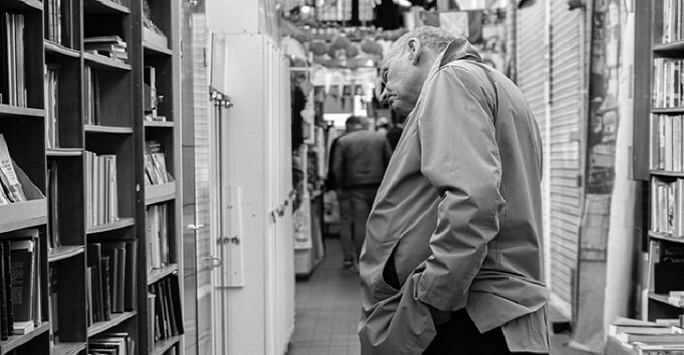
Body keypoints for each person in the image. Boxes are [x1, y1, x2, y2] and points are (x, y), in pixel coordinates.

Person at [358, 27, 549, 355]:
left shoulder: (451, 79)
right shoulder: (498, 86)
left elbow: (473, 199)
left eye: (386, 73)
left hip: (470, 313)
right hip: (495, 308)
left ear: (414, 49)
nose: (383, 91)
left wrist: (433, 298)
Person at [332, 116, 392, 271]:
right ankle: (379, 260)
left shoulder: (344, 141)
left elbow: (336, 168)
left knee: (360, 223)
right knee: (379, 223)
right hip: (378, 185)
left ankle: (360, 261)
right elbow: (391, 162)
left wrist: (340, 187)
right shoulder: (380, 138)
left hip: (354, 187)